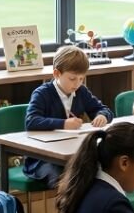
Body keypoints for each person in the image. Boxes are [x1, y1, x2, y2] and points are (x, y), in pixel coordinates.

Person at [23, 45, 112, 187]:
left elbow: (103, 109)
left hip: (72, 153)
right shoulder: (42, 93)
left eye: (81, 79)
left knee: (98, 170)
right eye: (72, 78)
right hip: (43, 159)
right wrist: (63, 124)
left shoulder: (81, 92)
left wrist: (102, 116)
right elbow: (31, 121)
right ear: (57, 74)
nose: (77, 83)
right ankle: (66, 202)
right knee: (65, 177)